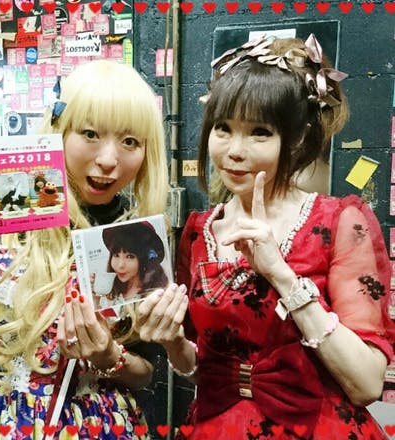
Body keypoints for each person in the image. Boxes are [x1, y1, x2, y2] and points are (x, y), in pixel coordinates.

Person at [136, 34, 395, 439]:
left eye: (259, 132)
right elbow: (202, 369)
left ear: (295, 138)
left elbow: (366, 384)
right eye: (223, 128)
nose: (234, 150)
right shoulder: (199, 232)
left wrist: (283, 276)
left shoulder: (341, 223)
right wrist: (171, 342)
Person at [0, 59, 169, 438]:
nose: (108, 160)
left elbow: (147, 373)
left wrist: (109, 356)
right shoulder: (2, 213)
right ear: (60, 129)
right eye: (90, 133)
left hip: (98, 424)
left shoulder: (138, 235)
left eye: (130, 142)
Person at [102, 221, 168, 302]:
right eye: (116, 255)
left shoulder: (155, 294)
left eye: (130, 257)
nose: (120, 265)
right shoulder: (110, 292)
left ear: (143, 259)